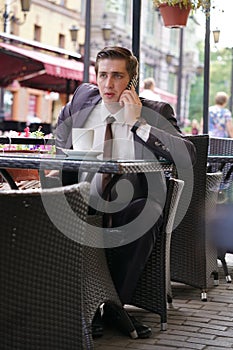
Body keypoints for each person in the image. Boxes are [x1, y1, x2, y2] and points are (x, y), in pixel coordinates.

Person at [55, 46, 196, 339]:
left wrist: (137, 124)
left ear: (132, 81)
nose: (108, 84)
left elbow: (188, 154)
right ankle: (78, 306)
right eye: (102, 75)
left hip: (129, 204)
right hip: (80, 198)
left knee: (147, 212)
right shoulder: (82, 101)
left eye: (117, 76)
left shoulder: (154, 112)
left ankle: (112, 306)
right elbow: (59, 142)